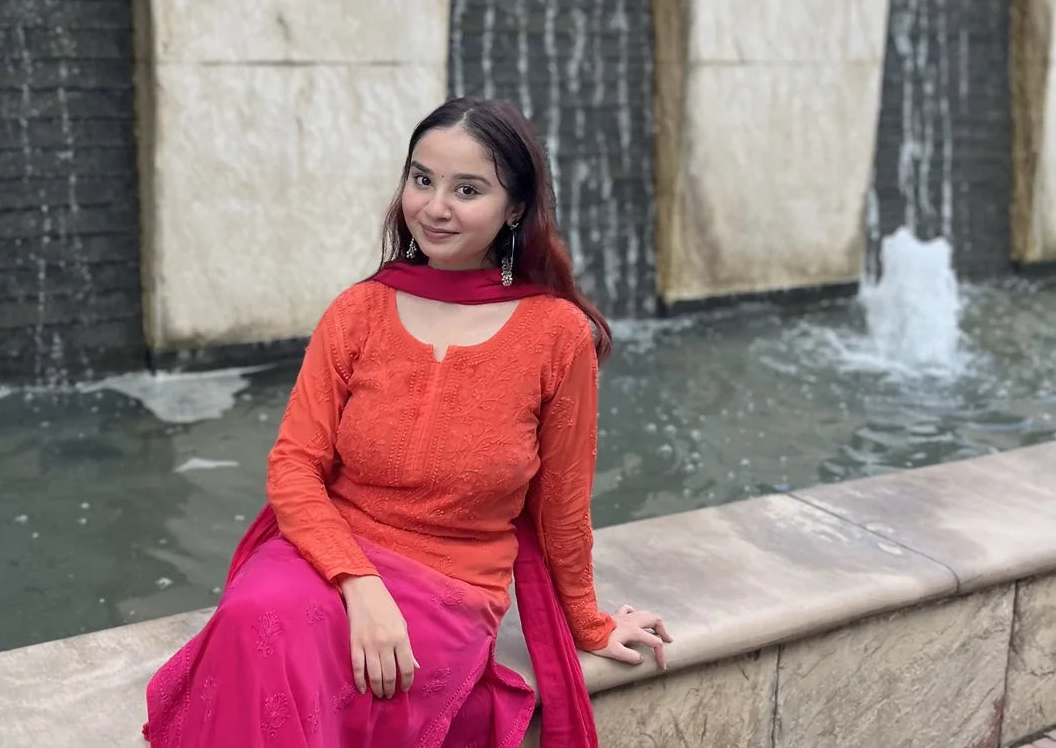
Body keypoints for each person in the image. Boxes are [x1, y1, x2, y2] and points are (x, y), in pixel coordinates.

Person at [143, 97, 672, 748]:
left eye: (467, 189)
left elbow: (562, 502)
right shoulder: (359, 312)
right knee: (256, 619)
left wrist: (589, 623)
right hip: (326, 552)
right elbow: (294, 465)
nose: (435, 206)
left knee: (360, 670)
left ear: (515, 208)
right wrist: (358, 583)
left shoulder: (558, 334)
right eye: (422, 179)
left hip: (451, 585)